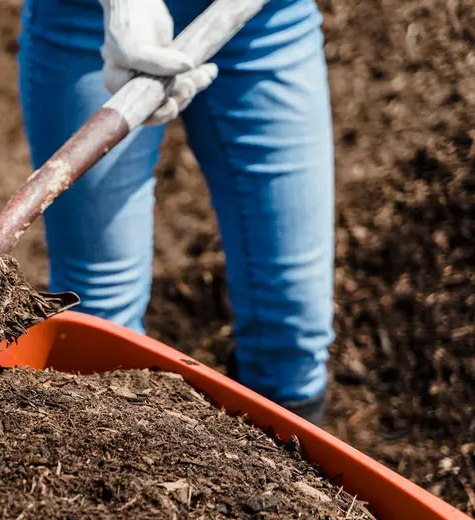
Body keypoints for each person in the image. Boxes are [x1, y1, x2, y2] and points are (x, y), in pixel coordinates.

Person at [17, 0, 334, 424]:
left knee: (294, 323)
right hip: (94, 23)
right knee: (99, 317)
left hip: (265, 21)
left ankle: (287, 483)